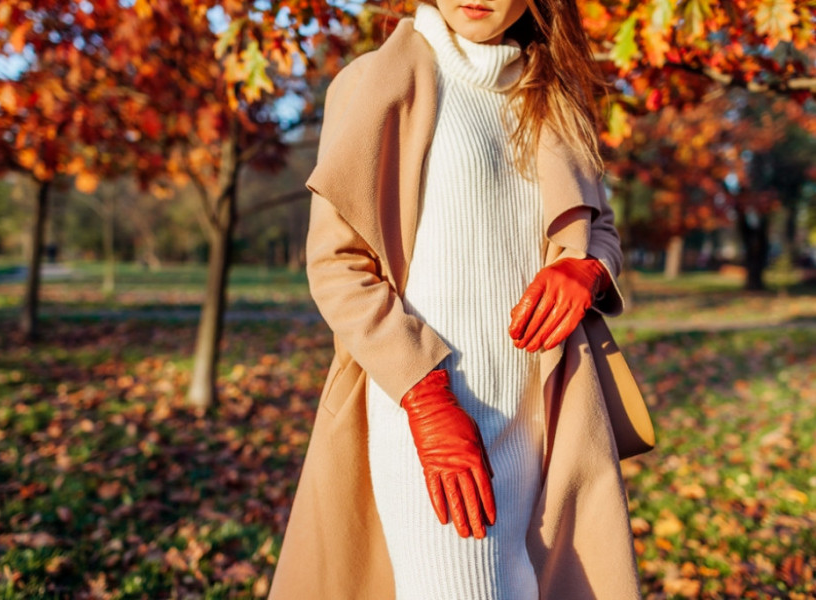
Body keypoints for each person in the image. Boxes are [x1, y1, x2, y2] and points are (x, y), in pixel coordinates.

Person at [270, 1, 644, 598]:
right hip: (431, 424)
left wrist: (587, 269)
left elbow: (600, 230)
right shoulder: (373, 83)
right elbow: (338, 264)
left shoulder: (555, 96)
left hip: (544, 423)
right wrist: (426, 400)